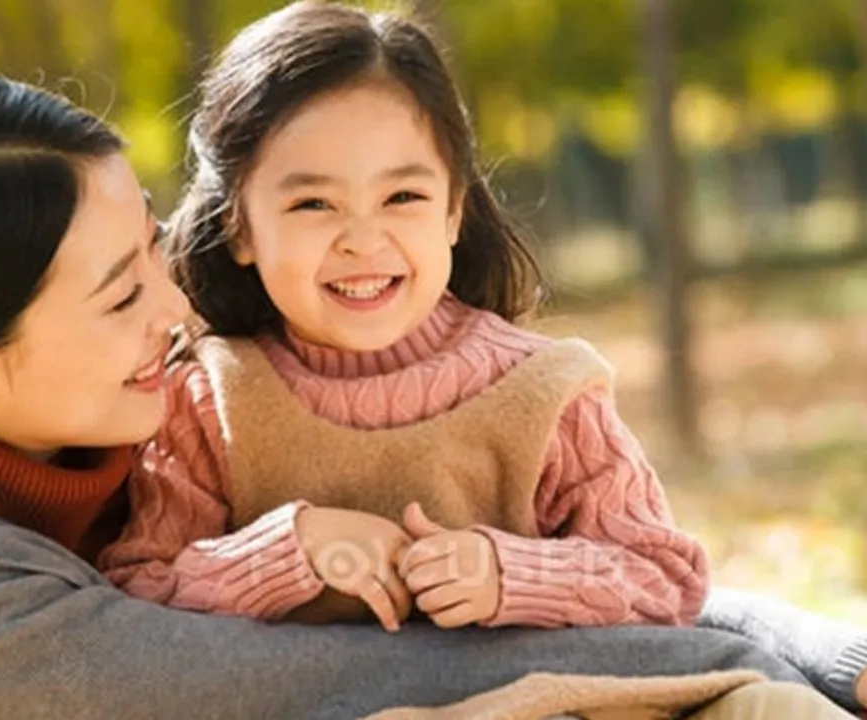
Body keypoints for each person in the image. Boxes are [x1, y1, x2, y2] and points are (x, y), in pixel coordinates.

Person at [0, 74, 867, 720]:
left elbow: (560, 558)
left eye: (153, 257)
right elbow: (349, 673)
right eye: (119, 294)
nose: (177, 313)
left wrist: (804, 640)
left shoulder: (118, 425)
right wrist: (751, 670)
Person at [101, 0, 709, 637]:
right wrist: (287, 552)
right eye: (313, 203)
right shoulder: (206, 401)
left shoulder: (548, 392)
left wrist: (512, 575)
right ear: (238, 227)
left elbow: (665, 578)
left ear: (454, 211)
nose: (363, 240)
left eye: (403, 197)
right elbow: (138, 595)